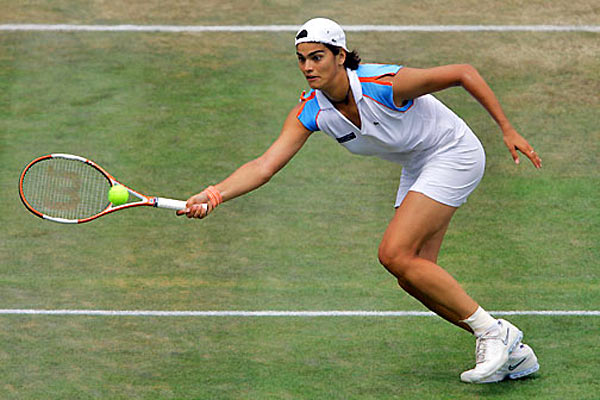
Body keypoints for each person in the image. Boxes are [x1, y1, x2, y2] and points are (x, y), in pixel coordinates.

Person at [178, 17, 542, 383]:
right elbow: (264, 165)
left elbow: (463, 72)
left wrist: (507, 129)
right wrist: (214, 195)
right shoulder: (312, 109)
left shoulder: (382, 84)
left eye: (317, 57)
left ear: (340, 56)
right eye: (301, 59)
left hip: (453, 152)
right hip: (418, 162)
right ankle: (512, 352)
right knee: (411, 274)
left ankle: (495, 334)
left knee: (394, 254)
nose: (307, 67)